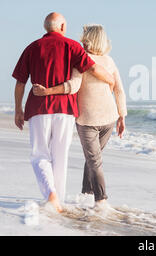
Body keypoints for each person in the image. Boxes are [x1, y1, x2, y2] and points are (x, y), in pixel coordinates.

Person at [12, 13, 115, 213]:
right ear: (62, 26)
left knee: (40, 154)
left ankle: (51, 195)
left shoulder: (32, 47)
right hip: (66, 109)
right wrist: (110, 79)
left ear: (46, 27)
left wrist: (18, 109)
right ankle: (57, 199)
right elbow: (93, 69)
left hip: (38, 109)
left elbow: (20, 83)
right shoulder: (73, 46)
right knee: (61, 155)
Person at [32, 24, 127, 211]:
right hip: (109, 117)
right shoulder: (109, 61)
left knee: (93, 159)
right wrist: (122, 116)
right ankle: (86, 195)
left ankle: (101, 201)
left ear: (88, 38)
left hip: (88, 120)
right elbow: (119, 90)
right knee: (94, 158)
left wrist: (47, 91)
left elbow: (73, 86)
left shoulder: (81, 60)